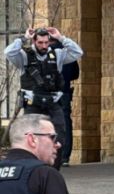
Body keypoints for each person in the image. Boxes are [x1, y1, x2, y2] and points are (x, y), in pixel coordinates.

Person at [4, 27, 83, 170]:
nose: (44, 46)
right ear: (34, 41)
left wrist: (61, 38)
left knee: (59, 137)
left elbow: (78, 52)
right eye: (40, 43)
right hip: (33, 104)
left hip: (53, 103)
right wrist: (24, 38)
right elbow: (8, 52)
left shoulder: (56, 55)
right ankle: (33, 170)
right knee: (31, 138)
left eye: (46, 42)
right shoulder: (24, 56)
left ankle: (54, 172)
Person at [58, 45, 79, 167]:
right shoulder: (68, 54)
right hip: (65, 91)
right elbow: (75, 74)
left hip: (50, 93)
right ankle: (65, 156)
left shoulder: (46, 52)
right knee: (66, 122)